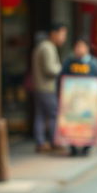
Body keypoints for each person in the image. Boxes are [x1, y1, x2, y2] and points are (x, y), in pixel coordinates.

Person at [59, 37, 97, 156]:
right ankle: (72, 146)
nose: (79, 49)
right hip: (72, 101)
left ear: (87, 48)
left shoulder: (94, 63)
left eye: (82, 46)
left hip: (88, 101)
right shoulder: (69, 62)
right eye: (77, 47)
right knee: (71, 122)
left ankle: (86, 146)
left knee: (87, 122)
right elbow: (61, 78)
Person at [31, 22, 67, 152]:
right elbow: (50, 69)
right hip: (47, 87)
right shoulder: (47, 47)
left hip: (40, 86)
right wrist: (62, 68)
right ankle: (54, 141)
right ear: (53, 33)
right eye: (62, 34)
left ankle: (40, 142)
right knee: (53, 114)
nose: (64, 38)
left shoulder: (43, 46)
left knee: (40, 115)